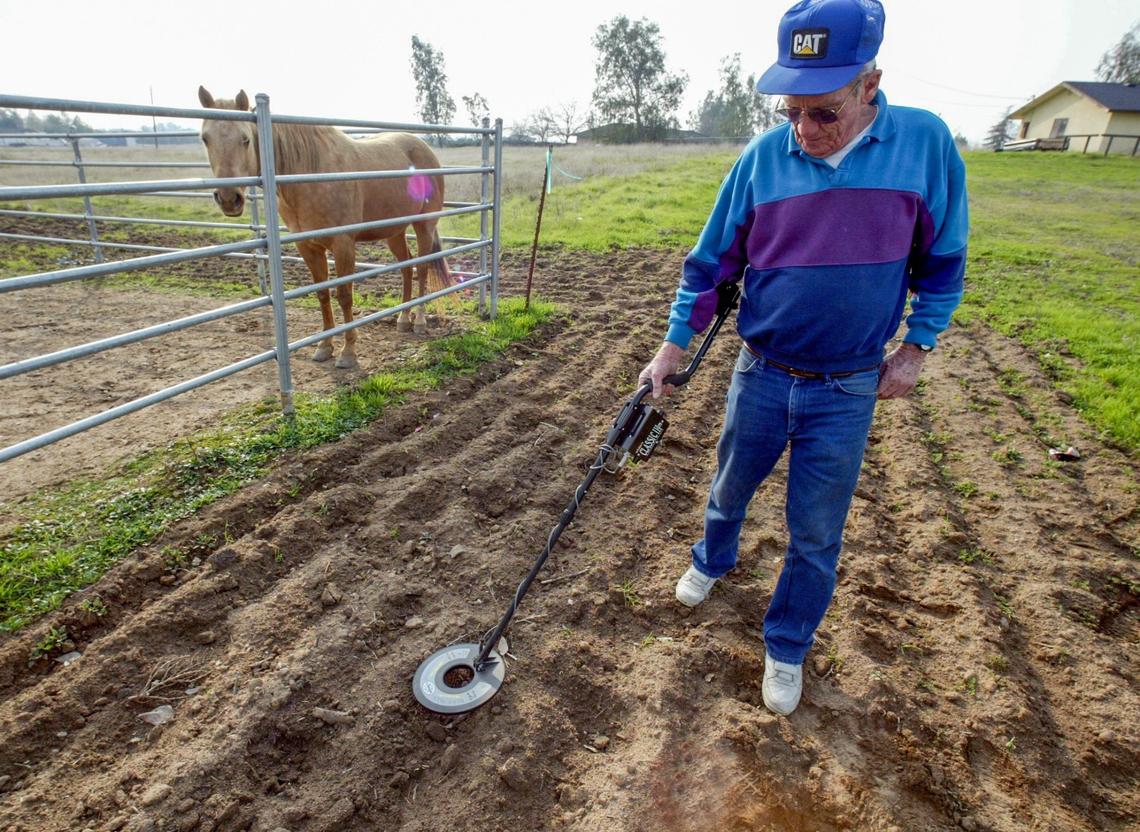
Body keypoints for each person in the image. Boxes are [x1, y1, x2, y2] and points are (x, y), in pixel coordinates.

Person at [638, 0, 968, 716]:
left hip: (848, 386)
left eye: (823, 113)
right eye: (792, 111)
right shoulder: (763, 158)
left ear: (869, 86)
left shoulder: (925, 146)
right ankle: (711, 561)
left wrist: (915, 348)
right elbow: (710, 264)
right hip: (761, 372)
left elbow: (943, 264)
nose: (805, 130)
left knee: (816, 531)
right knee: (728, 488)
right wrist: (672, 346)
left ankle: (786, 645)